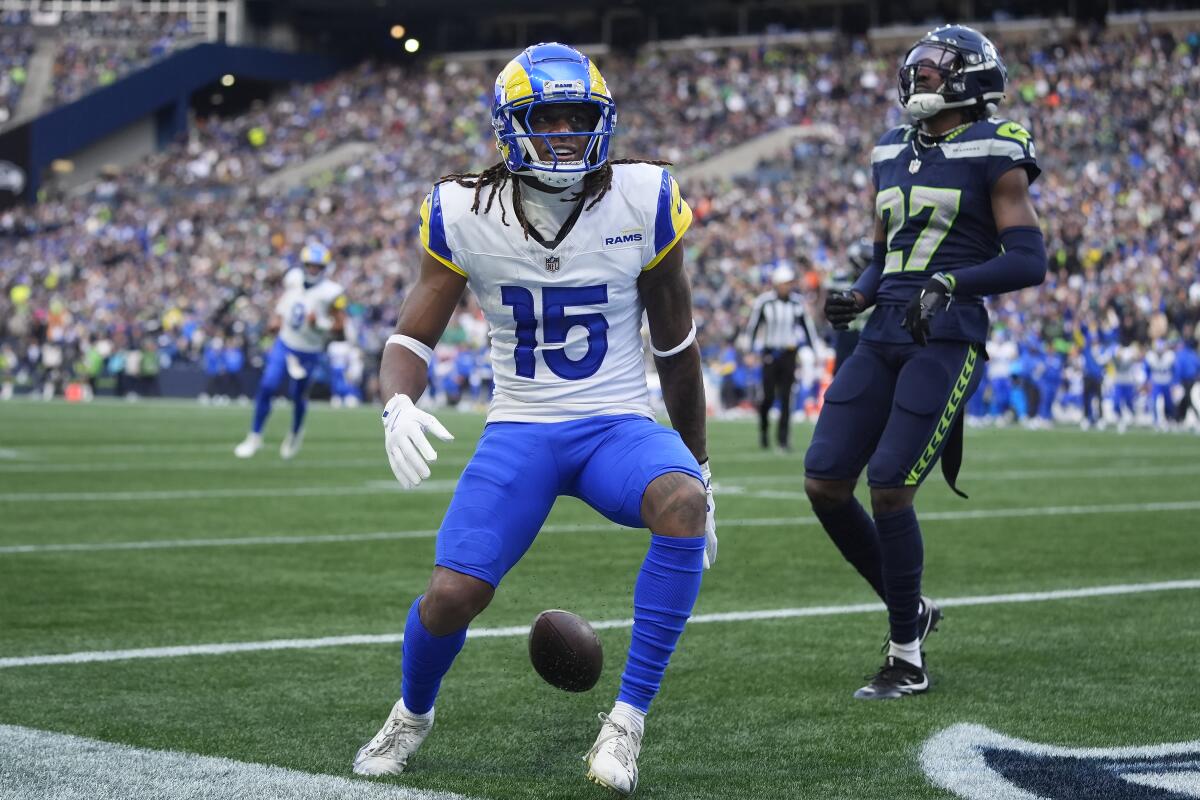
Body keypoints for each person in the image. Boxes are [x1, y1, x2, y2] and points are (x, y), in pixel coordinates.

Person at [351, 43, 717, 798]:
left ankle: (627, 722)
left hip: (616, 421)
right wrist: (397, 400)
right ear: (509, 127)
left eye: (575, 119)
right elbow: (410, 338)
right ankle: (411, 713)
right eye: (544, 119)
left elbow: (677, 350)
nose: (561, 135)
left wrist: (701, 469)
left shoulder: (643, 198)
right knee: (453, 595)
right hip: (520, 426)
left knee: (681, 501)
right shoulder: (462, 208)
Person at [807, 25, 1046, 700]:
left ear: (971, 78)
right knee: (824, 481)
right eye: (917, 69)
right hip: (883, 329)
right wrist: (860, 287)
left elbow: (1030, 260)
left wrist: (952, 284)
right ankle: (911, 607)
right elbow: (887, 253)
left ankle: (906, 657)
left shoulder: (995, 148)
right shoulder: (889, 148)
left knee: (889, 485)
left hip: (947, 334)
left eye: (936, 70)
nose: (920, 80)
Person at [234, 242, 346, 459]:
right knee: (267, 386)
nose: (313, 269)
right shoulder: (293, 278)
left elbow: (341, 327)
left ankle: (295, 432)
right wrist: (276, 318)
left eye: (317, 266)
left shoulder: (332, 292)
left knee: (297, 395)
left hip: (309, 350)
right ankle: (254, 435)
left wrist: (320, 323)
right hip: (285, 343)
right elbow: (286, 301)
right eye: (310, 265)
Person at [745, 263, 820, 451]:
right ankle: (764, 431)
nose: (788, 286)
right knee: (768, 396)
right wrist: (750, 351)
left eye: (790, 283)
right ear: (777, 284)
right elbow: (753, 327)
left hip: (789, 353)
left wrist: (814, 350)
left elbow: (807, 328)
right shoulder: (764, 302)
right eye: (785, 283)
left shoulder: (797, 303)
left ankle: (783, 440)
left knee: (787, 398)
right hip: (770, 353)